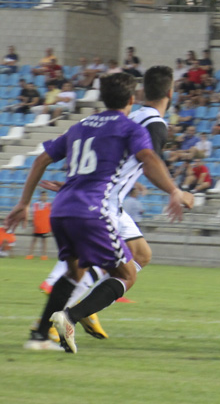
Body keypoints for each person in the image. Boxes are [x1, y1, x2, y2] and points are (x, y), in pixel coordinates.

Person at [6, 72, 192, 352]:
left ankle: (40, 336)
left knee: (76, 272)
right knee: (127, 275)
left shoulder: (81, 125)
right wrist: (175, 190)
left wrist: (23, 203)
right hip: (98, 207)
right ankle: (71, 316)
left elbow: (43, 158)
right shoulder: (134, 127)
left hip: (64, 207)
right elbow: (148, 158)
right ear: (132, 98)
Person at [27, 191, 52, 260]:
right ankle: (30, 254)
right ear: (40, 196)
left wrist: (49, 226)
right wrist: (32, 224)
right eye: (43, 195)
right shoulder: (35, 205)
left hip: (44, 226)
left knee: (44, 241)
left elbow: (50, 215)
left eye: (45, 195)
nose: (44, 197)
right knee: (34, 240)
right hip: (37, 226)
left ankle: (44, 255)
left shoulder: (49, 205)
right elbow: (33, 215)